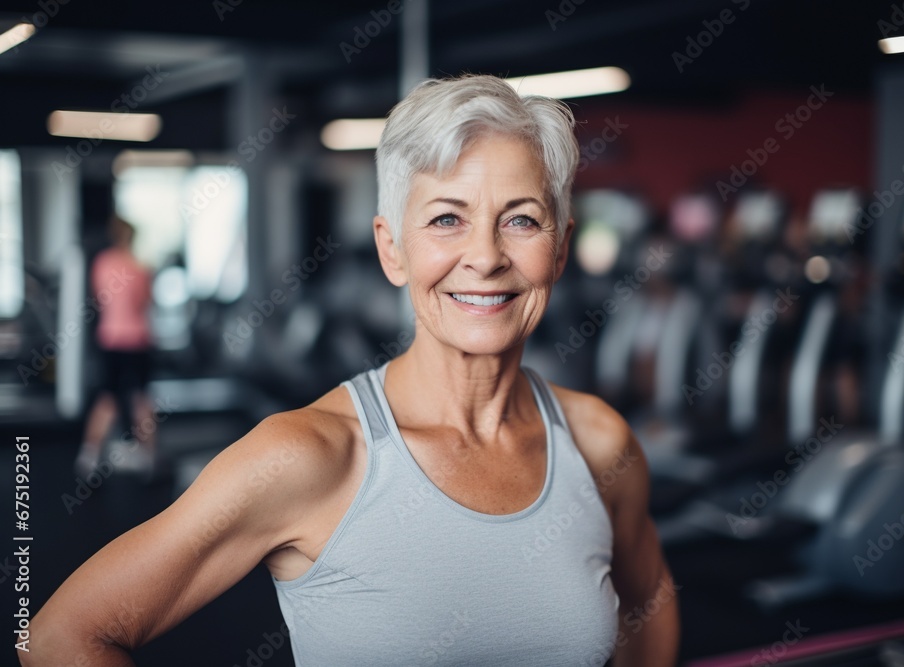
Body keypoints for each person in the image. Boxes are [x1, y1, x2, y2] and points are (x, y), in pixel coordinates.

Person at [25, 75, 680, 666]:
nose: (485, 256)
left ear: (560, 249)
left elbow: (646, 594)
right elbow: (63, 636)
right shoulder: (310, 456)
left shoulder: (599, 442)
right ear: (392, 250)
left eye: (522, 220)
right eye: (447, 219)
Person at [74, 214, 157, 479]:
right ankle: (149, 460)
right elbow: (144, 302)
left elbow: (99, 298)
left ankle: (89, 457)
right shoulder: (140, 266)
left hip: (111, 339)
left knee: (108, 399)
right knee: (140, 399)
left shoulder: (102, 263)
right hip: (138, 340)